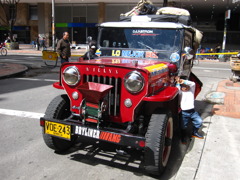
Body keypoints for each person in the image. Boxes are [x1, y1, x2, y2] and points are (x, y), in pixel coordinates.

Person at [175, 77, 203, 142]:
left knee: (199, 121)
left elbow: (192, 83)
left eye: (186, 85)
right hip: (184, 113)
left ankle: (195, 132)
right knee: (183, 126)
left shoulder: (191, 90)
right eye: (183, 86)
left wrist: (182, 81)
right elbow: (177, 88)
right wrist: (178, 82)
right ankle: (183, 137)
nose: (185, 87)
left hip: (192, 111)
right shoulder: (180, 92)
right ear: (181, 87)